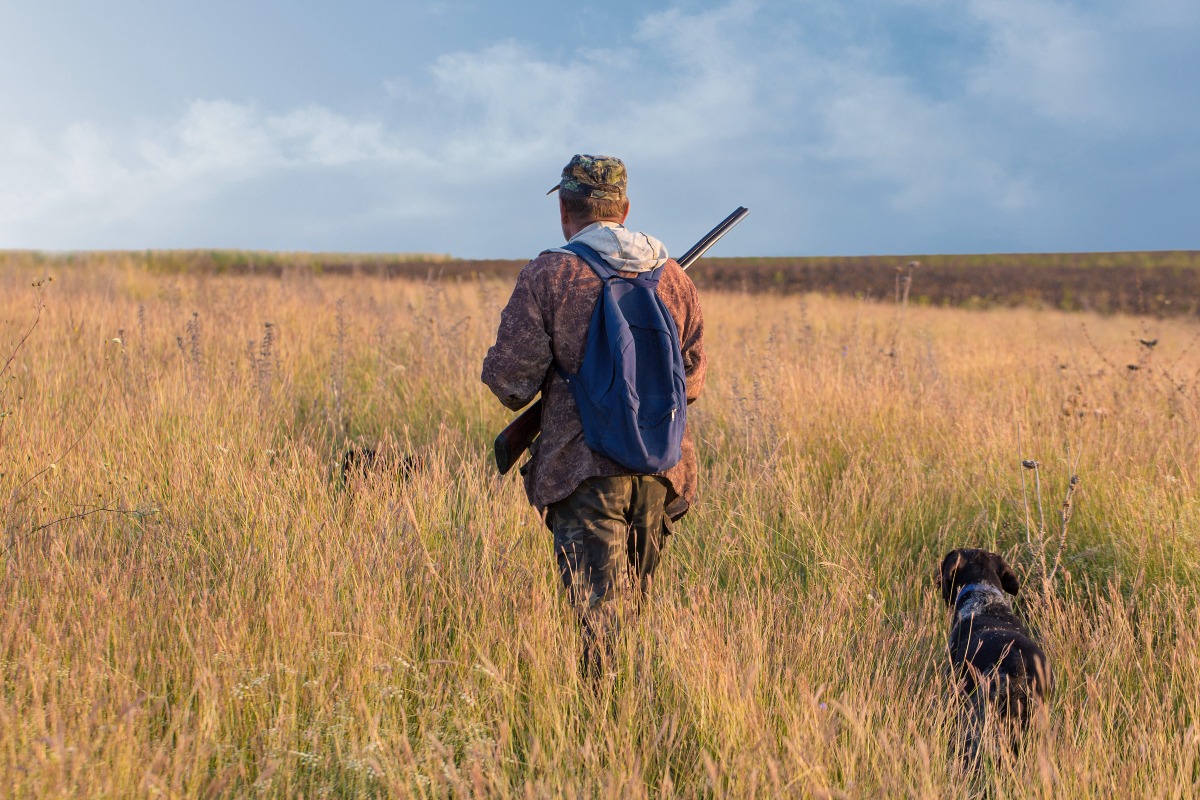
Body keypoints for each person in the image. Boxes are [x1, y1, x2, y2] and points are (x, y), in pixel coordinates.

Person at [481, 154, 707, 677]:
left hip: (582, 474)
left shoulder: (549, 274)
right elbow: (690, 383)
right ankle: (633, 730)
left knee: (599, 633)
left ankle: (599, 740)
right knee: (633, 622)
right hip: (660, 472)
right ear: (623, 209)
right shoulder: (673, 278)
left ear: (565, 210)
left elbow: (510, 383)